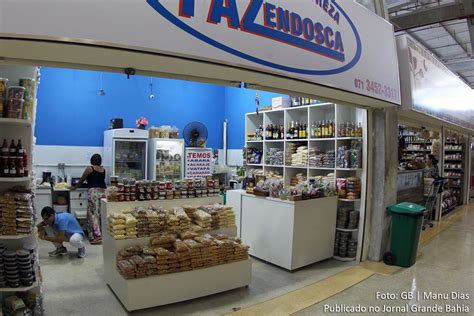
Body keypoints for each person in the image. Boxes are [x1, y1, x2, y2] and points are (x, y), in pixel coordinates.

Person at [71, 153, 106, 245]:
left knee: (92, 214)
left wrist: (75, 187)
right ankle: (102, 234)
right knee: (100, 214)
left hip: (93, 192)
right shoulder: (103, 169)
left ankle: (96, 237)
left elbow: (82, 180)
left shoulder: (90, 168)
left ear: (92, 160)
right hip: (103, 193)